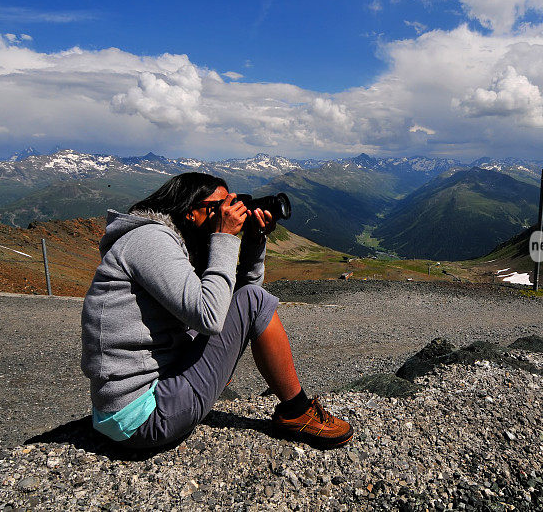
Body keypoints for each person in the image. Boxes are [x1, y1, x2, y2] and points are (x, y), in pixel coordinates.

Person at [81, 172, 353, 450]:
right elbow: (215, 316)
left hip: (128, 408)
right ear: (190, 212)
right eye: (219, 207)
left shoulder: (175, 243)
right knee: (253, 301)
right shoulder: (150, 240)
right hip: (143, 416)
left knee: (249, 299)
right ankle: (296, 412)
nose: (226, 212)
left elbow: (239, 302)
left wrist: (254, 240)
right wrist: (224, 237)